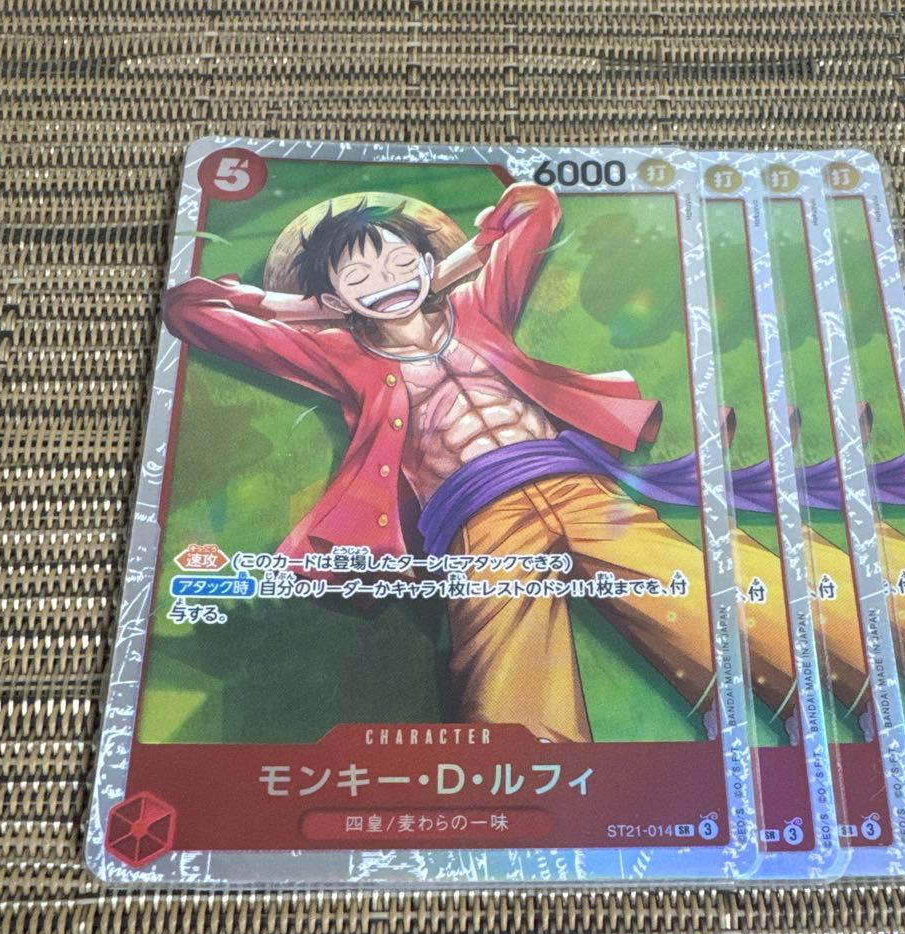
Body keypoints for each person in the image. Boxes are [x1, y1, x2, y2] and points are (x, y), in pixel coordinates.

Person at [164, 183, 739, 742]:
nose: (386, 283)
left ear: (425, 263)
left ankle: (752, 696)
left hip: (571, 479)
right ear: (334, 299)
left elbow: (534, 207)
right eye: (360, 277)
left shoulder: (477, 306)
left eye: (399, 264)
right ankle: (532, 778)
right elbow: (191, 312)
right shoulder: (338, 352)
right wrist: (303, 307)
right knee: (509, 666)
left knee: (682, 584)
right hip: (474, 514)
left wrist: (446, 270)